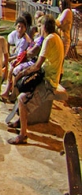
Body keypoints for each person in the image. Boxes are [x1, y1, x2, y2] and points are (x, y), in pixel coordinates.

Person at [8, 16, 65, 145]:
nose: (39, 28)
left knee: (22, 97)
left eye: (40, 26)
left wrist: (22, 73)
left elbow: (37, 65)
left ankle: (23, 135)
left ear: (44, 27)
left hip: (48, 82)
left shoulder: (48, 39)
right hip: (47, 77)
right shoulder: (55, 37)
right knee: (24, 89)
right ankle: (21, 121)